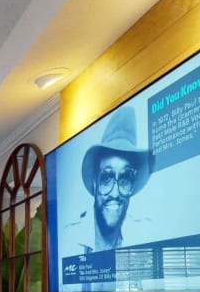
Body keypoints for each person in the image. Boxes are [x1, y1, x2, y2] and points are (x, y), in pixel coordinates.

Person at [64, 106, 155, 254]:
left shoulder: (144, 235)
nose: (115, 193)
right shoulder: (69, 238)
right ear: (94, 183)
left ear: (133, 183)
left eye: (125, 178)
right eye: (107, 177)